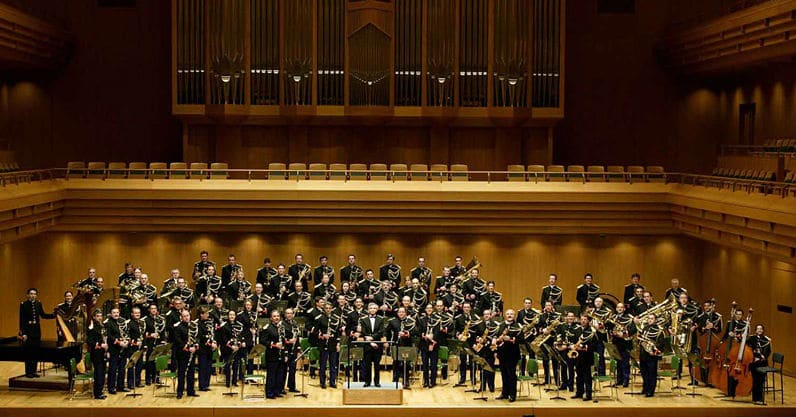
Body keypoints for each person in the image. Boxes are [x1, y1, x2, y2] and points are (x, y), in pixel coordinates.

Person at [19, 288, 56, 378]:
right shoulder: (24, 305)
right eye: (31, 294)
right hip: (28, 331)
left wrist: (54, 315)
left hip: (36, 330)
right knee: (29, 352)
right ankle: (28, 372)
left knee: (35, 351)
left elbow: (43, 315)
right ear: (28, 295)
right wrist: (23, 333)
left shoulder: (38, 303)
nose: (33, 295)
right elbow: (22, 320)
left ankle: (34, 371)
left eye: (34, 294)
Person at [494, 309, 522, 402]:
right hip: (502, 354)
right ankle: (504, 393)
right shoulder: (501, 325)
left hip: (512, 354)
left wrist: (510, 339)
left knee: (511, 375)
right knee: (504, 374)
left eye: (511, 314)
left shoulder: (518, 326)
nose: (509, 315)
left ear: (514, 315)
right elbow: (497, 337)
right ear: (505, 315)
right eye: (508, 314)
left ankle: (512, 394)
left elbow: (522, 340)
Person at [637, 312, 665, 397]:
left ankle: (651, 391)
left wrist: (653, 349)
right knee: (644, 372)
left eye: (652, 318)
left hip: (652, 355)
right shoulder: (645, 328)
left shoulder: (660, 330)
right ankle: (645, 388)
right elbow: (640, 339)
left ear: (655, 320)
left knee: (652, 374)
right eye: (648, 318)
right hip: (643, 354)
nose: (649, 320)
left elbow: (661, 343)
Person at [173, 309, 199, 399]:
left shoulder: (193, 326)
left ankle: (190, 391)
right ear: (181, 317)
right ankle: (179, 392)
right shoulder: (178, 327)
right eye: (185, 316)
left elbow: (196, 337)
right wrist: (188, 348)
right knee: (181, 373)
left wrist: (195, 346)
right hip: (182, 354)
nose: (187, 317)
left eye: (188, 315)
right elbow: (178, 340)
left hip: (192, 353)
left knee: (191, 373)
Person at [358, 302, 386, 387]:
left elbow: (381, 332)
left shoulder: (381, 319)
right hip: (367, 346)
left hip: (377, 345)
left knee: (377, 365)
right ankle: (367, 382)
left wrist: (372, 338)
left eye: (374, 308)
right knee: (367, 365)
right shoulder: (363, 319)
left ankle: (377, 382)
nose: (372, 310)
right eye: (371, 308)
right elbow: (363, 332)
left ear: (377, 310)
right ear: (368, 310)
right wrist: (370, 342)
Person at [315, 303, 341, 388]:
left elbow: (338, 333)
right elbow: (315, 331)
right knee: (323, 365)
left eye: (330, 308)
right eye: (326, 308)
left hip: (333, 344)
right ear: (324, 309)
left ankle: (332, 382)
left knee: (333, 365)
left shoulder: (336, 319)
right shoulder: (320, 318)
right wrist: (322, 335)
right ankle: (322, 382)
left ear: (332, 309)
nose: (328, 309)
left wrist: (338, 344)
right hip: (323, 344)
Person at [261, 310, 285, 399]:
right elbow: (262, 340)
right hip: (271, 355)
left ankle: (276, 391)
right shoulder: (267, 327)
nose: (276, 318)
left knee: (279, 375)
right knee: (271, 375)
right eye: (274, 316)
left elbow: (283, 341)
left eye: (278, 316)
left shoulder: (281, 327)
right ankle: (269, 393)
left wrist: (285, 354)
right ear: (271, 318)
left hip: (280, 355)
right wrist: (274, 345)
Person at [571, 314, 595, 401]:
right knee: (579, 375)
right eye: (582, 319)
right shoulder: (578, 330)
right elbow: (574, 341)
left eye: (585, 319)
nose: (583, 321)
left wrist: (582, 347)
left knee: (587, 376)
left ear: (588, 321)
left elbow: (592, 344)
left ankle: (588, 394)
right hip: (578, 357)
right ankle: (579, 392)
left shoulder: (591, 331)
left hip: (587, 357)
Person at [86, 309, 108, 399]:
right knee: (98, 374)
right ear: (94, 317)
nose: (100, 318)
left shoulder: (101, 326)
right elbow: (89, 341)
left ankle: (100, 391)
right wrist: (100, 345)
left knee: (102, 373)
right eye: (98, 316)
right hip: (96, 354)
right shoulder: (92, 327)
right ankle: (97, 393)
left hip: (102, 353)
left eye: (100, 316)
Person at [748, 324, 771, 405]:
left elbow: (767, 352)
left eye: (761, 329)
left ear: (763, 330)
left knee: (760, 381)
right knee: (755, 380)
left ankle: (760, 399)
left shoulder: (766, 340)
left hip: (762, 363)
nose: (759, 330)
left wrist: (761, 358)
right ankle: (755, 398)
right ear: (755, 330)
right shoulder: (752, 338)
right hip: (753, 362)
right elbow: (748, 349)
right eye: (758, 329)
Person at [418, 304, 440, 388]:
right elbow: (419, 331)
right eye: (427, 308)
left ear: (433, 309)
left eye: (430, 308)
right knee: (425, 365)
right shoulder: (421, 320)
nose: (429, 309)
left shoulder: (437, 319)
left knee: (434, 364)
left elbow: (438, 332)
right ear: (425, 310)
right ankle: (426, 381)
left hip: (434, 345)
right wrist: (423, 336)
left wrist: (433, 340)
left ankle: (433, 381)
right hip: (424, 345)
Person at [197, 306, 216, 392]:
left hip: (209, 349)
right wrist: (209, 342)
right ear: (201, 314)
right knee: (203, 367)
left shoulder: (209, 323)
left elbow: (211, 334)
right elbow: (200, 336)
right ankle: (202, 385)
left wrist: (214, 342)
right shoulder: (198, 323)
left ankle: (206, 384)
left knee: (208, 367)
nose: (208, 315)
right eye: (206, 313)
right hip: (202, 349)